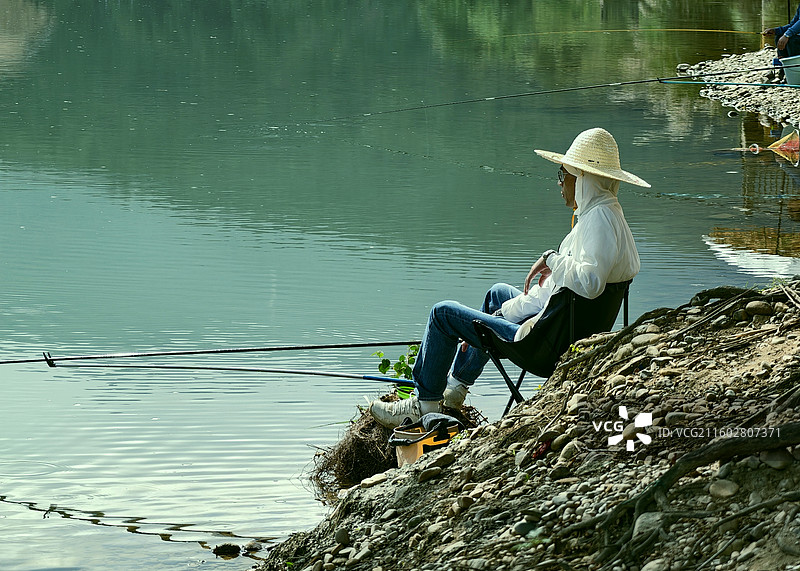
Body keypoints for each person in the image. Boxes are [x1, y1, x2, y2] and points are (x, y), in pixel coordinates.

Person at [369, 127, 650, 429]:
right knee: (497, 293)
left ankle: (423, 404)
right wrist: (498, 313)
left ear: (582, 178)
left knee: (442, 314)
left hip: (544, 346)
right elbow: (556, 295)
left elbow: (590, 283)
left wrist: (551, 259)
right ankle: (455, 390)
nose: (559, 183)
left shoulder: (598, 221)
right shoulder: (610, 215)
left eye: (562, 174)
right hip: (563, 330)